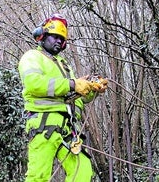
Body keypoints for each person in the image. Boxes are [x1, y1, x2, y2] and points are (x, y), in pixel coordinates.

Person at [18, 14, 108, 182]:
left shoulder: (64, 65)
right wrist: (73, 84)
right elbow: (33, 83)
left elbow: (73, 97)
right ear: (43, 36)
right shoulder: (32, 57)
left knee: (82, 170)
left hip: (67, 128)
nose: (58, 41)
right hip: (44, 125)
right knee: (38, 176)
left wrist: (91, 89)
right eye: (54, 37)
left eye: (62, 38)